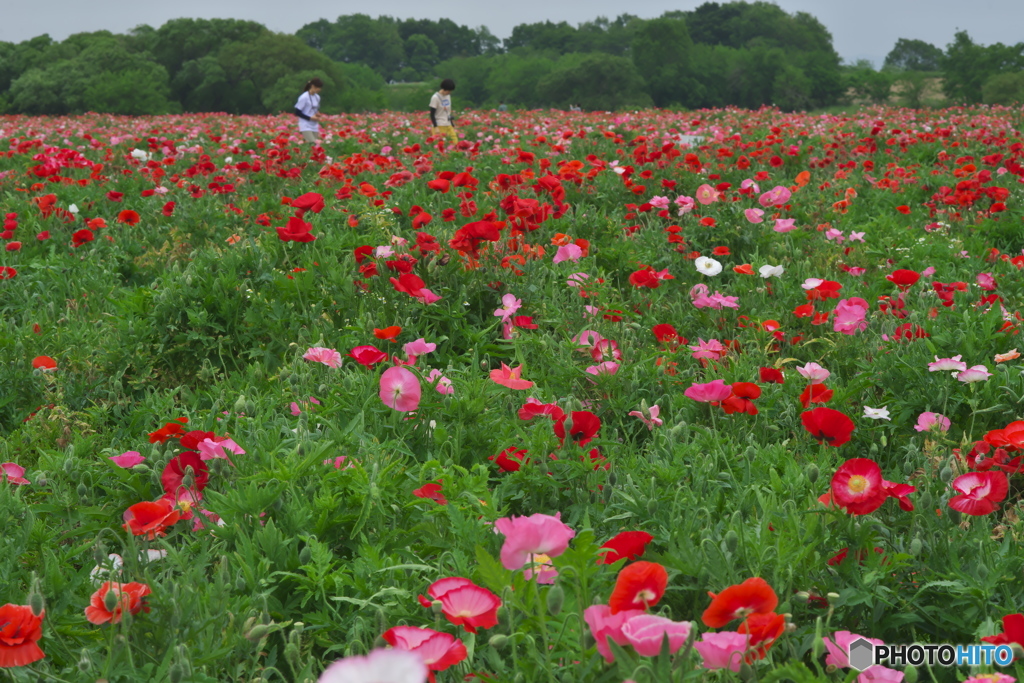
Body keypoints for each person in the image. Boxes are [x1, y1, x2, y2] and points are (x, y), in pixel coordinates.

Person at [429, 79, 458, 147]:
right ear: (444, 89)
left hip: (448, 124)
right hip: (439, 125)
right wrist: (435, 127)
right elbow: (432, 114)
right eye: (449, 90)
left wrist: (451, 123)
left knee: (455, 142)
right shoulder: (435, 98)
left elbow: (447, 112)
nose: (449, 92)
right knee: (442, 145)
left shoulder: (448, 96)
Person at [294, 78, 323, 145]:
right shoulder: (304, 97)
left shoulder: (317, 97)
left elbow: (313, 109)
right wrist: (310, 118)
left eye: (320, 88)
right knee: (313, 144)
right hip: (305, 124)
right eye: (317, 87)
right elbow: (297, 112)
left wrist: (317, 114)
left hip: (314, 125)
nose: (319, 89)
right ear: (312, 86)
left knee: (316, 146)